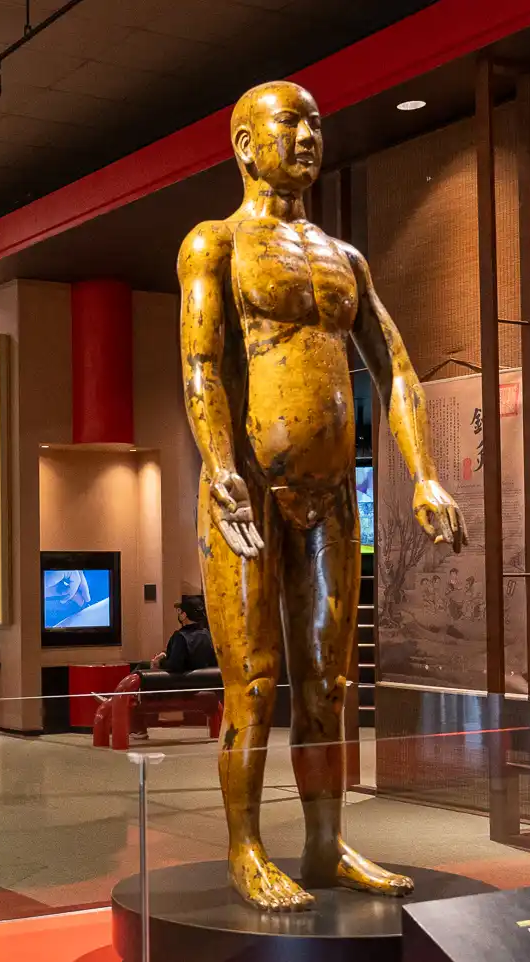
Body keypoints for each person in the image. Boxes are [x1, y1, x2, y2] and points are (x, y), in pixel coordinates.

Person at [178, 80, 465, 911]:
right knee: (255, 680)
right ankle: (243, 846)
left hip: (335, 493)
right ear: (243, 143)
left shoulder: (346, 259)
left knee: (331, 685)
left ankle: (327, 842)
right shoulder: (215, 244)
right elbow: (200, 366)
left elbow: (398, 366)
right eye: (288, 123)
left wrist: (424, 471)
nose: (308, 136)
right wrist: (222, 465)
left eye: (315, 123)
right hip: (249, 491)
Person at [152, 595, 217, 672]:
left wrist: (159, 662)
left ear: (184, 615)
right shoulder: (207, 634)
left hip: (184, 683)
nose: (178, 614)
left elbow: (174, 665)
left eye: (179, 611)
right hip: (207, 682)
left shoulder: (181, 636)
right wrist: (165, 654)